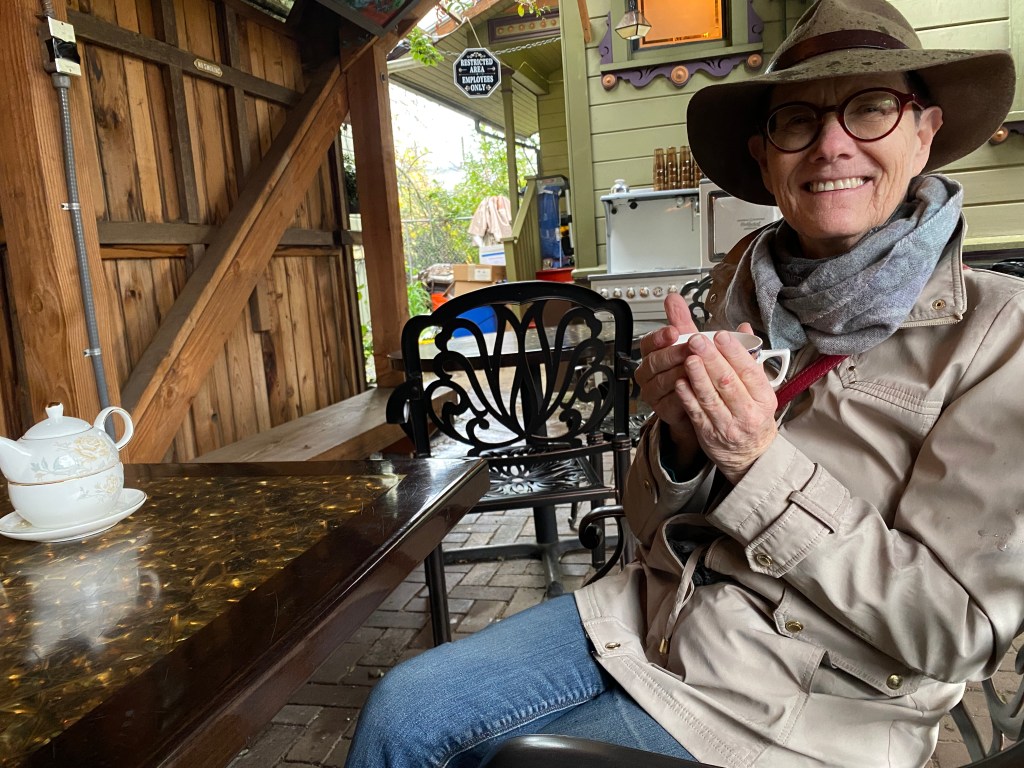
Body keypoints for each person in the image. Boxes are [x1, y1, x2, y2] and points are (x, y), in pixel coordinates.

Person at [344, 0, 1024, 765]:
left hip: (809, 704)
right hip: (652, 617)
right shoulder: (738, 293)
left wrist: (758, 463)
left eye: (871, 108)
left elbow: (955, 633)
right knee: (401, 712)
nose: (832, 144)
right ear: (765, 158)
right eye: (798, 120)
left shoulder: (1000, 334)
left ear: (924, 131)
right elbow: (644, 527)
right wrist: (677, 445)